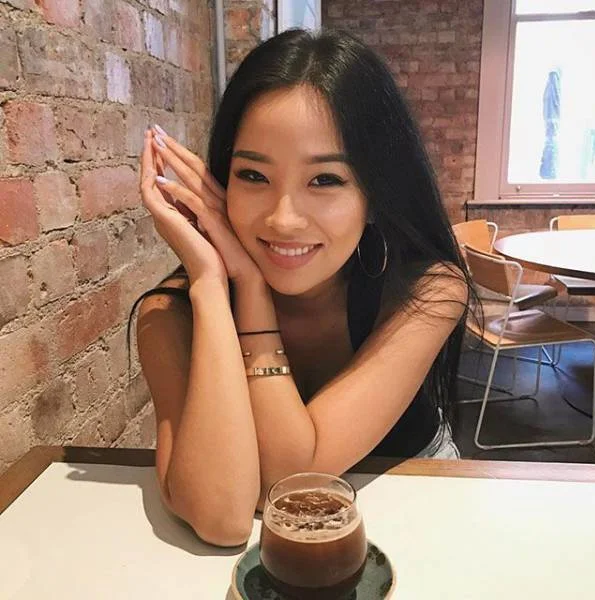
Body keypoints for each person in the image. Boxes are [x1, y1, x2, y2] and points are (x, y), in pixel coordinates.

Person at [134, 28, 471, 547]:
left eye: (325, 180)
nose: (283, 219)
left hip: (422, 508)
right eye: (253, 175)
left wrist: (251, 290)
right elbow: (222, 518)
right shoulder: (171, 314)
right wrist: (214, 284)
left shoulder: (428, 290)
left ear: (376, 194)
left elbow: (291, 476)